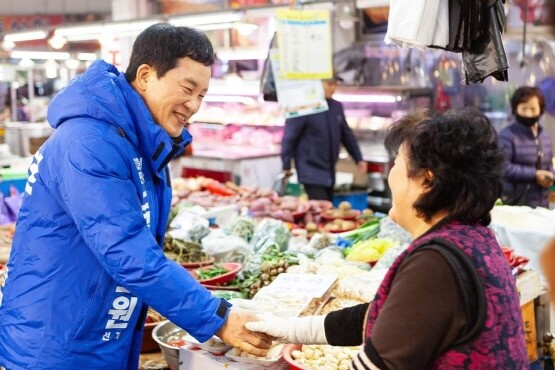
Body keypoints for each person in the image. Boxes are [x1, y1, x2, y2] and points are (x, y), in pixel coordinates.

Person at [0, 23, 271, 370]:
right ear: (145, 76)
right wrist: (216, 317)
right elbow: (128, 252)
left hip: (99, 335)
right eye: (188, 88)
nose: (194, 105)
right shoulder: (88, 143)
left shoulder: (141, 146)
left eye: (202, 95)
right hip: (56, 344)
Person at [248, 108, 528, 369]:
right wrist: (286, 328)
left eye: (397, 162)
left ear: (426, 181)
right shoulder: (472, 236)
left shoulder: (436, 263)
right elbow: (380, 318)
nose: (390, 173)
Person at [280, 76, 366, 201]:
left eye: (335, 84)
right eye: (329, 84)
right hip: (310, 171)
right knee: (321, 208)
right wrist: (286, 164)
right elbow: (289, 137)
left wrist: (358, 158)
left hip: (329, 170)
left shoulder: (336, 106)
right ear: (317, 83)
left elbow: (346, 134)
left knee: (327, 208)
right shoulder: (302, 106)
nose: (333, 88)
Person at [499, 86, 554, 208]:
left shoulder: (545, 136)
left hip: (541, 204)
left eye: (533, 109)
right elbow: (503, 168)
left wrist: (550, 177)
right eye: (524, 109)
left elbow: (548, 164)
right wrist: (535, 174)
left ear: (541, 110)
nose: (529, 113)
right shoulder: (507, 135)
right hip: (515, 204)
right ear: (515, 109)